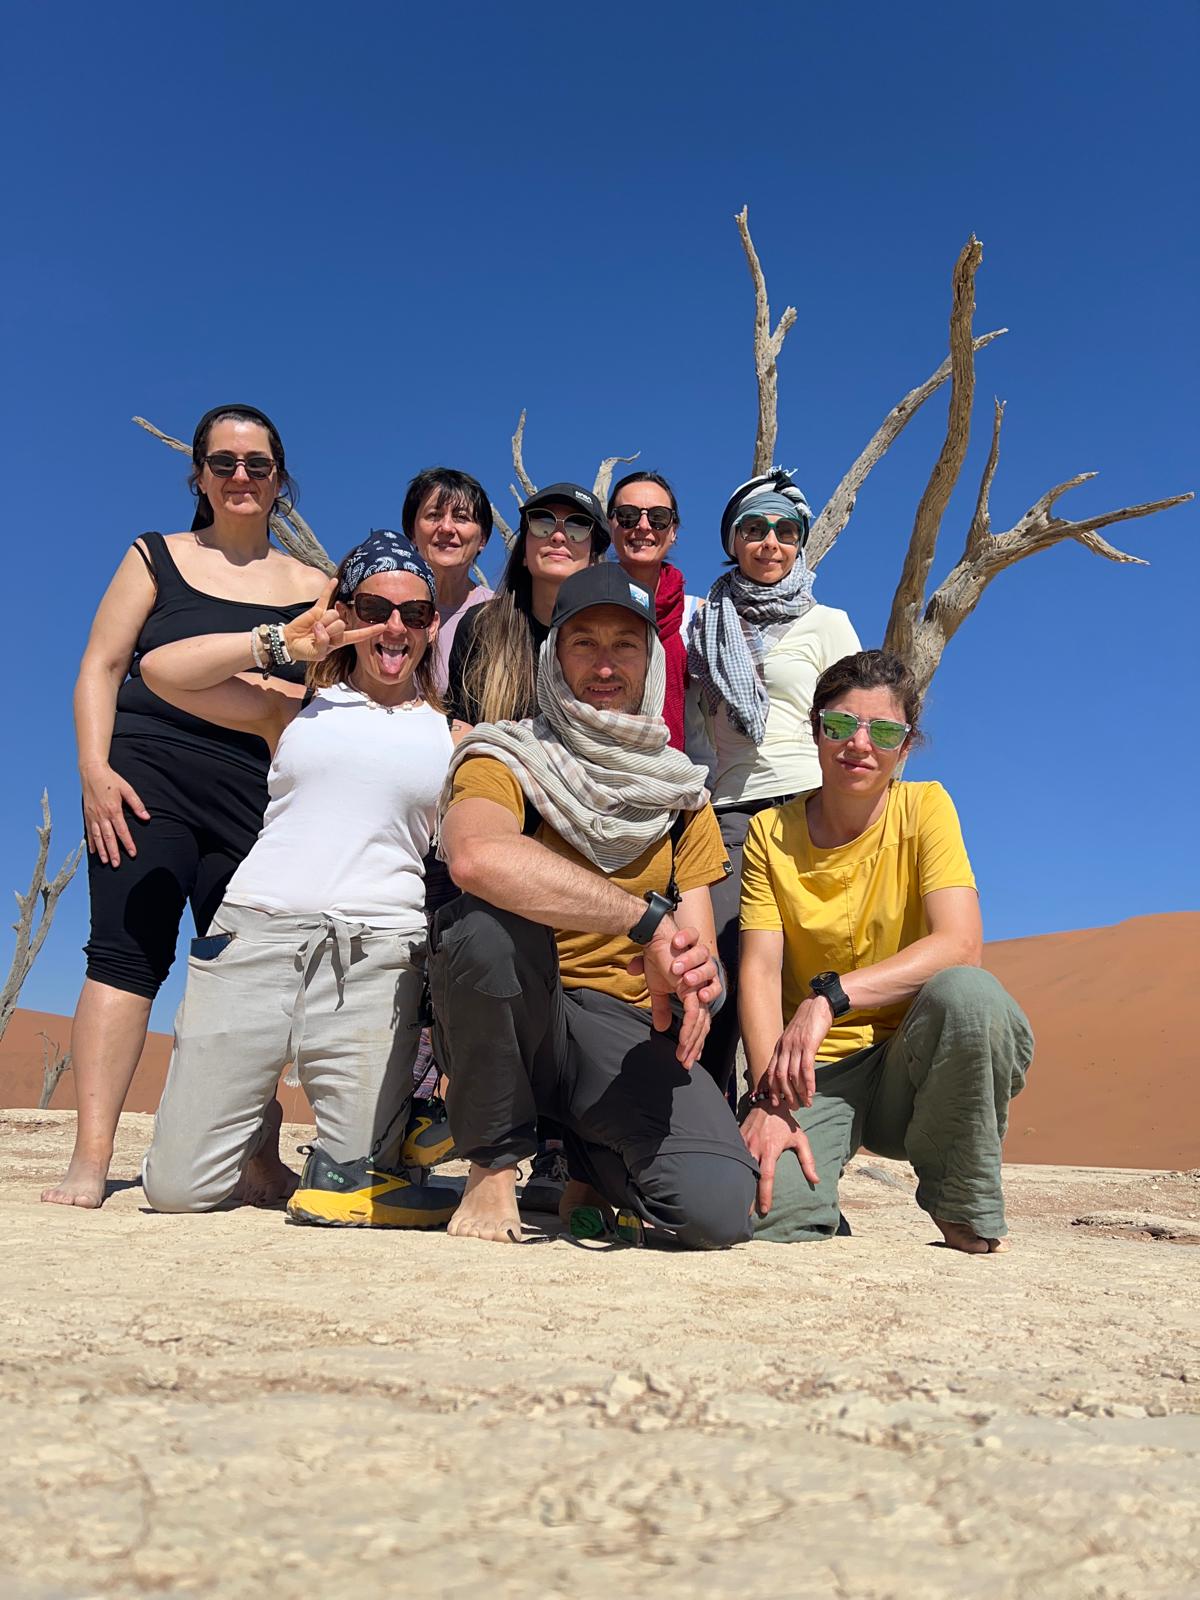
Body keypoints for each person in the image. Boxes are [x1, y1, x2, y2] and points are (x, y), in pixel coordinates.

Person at [43, 404, 322, 1211]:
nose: (241, 477)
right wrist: (93, 769)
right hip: (143, 778)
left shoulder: (312, 587)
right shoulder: (154, 557)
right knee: (125, 954)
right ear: (197, 475)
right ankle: (91, 1160)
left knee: (251, 976)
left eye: (257, 465)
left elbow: (316, 696)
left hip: (257, 791)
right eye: (224, 462)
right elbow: (101, 666)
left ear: (280, 481)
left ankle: (257, 1158)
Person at [138, 531, 461, 1228]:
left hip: (376, 955)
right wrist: (283, 644)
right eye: (375, 607)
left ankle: (393, 1130)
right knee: (178, 1192)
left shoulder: (454, 736)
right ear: (346, 612)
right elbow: (161, 671)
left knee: (351, 1185)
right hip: (255, 936)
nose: (395, 627)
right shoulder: (290, 707)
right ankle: (250, 1119)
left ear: (433, 626)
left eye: (415, 614)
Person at [430, 564, 757, 1248]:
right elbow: (476, 856)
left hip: (625, 1024)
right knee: (481, 932)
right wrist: (640, 919)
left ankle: (588, 1160)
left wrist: (699, 982)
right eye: (583, 644)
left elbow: (694, 939)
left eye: (625, 646)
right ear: (555, 659)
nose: (604, 665)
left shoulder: (680, 795)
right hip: (523, 1009)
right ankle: (491, 1165)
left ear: (653, 664)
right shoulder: (506, 756)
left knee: (716, 1210)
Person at [738, 649, 1034, 1252]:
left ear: (906, 745)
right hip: (812, 1075)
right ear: (817, 731)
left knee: (972, 996)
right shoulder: (771, 834)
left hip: (916, 1067)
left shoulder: (925, 808)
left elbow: (961, 944)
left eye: (885, 731)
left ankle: (962, 1201)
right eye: (841, 725)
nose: (859, 745)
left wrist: (829, 1000)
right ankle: (817, 1192)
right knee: (766, 1214)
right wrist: (770, 1100)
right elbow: (761, 970)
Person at [444, 482, 610, 1211]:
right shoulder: (490, 625)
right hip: (499, 816)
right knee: (484, 952)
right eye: (544, 518)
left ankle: (578, 1156)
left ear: (597, 549)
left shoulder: (608, 628)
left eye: (579, 524)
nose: (559, 532)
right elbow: (457, 721)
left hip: (588, 827)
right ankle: (490, 1150)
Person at [686, 470, 860, 1095]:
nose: (770, 543)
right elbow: (694, 728)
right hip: (729, 811)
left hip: (808, 806)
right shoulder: (702, 626)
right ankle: (710, 1125)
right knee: (721, 970)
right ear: (733, 540)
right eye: (754, 530)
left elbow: (854, 720)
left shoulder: (827, 623)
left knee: (806, 967)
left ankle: (800, 1116)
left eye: (786, 532)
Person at [606, 470, 703, 752]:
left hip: (678, 776)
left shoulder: (696, 617)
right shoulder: (588, 607)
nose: (643, 526)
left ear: (673, 531)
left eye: (658, 517)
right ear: (611, 525)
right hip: (597, 772)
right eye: (628, 515)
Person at [403, 466, 494, 693]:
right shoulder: (383, 610)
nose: (446, 527)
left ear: (483, 538)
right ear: (412, 532)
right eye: (433, 515)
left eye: (461, 517)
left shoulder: (500, 617)